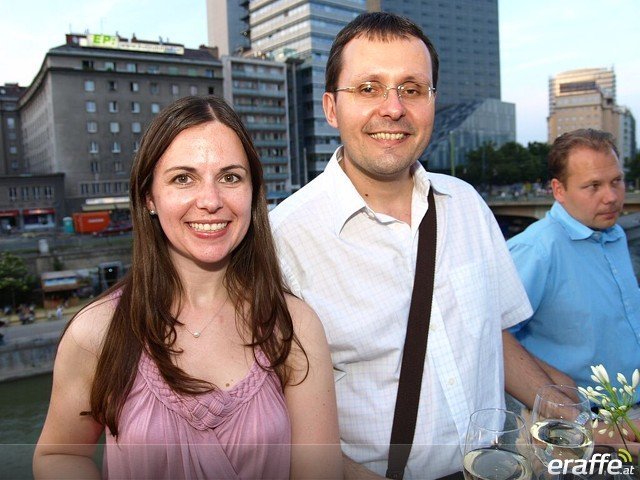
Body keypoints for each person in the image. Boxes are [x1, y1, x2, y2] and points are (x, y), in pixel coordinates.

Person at [270, 12, 552, 479]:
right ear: (331, 108)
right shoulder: (283, 241)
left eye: (412, 89)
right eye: (369, 88)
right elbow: (279, 426)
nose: (393, 108)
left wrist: (567, 413)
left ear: (432, 103)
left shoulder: (467, 205)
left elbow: (490, 337)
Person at [33, 96, 341, 479]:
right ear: (149, 197)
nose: (211, 201)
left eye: (230, 177)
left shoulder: (294, 328)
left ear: (253, 193)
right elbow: (60, 454)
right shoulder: (97, 332)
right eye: (183, 178)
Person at [508, 129, 640, 394]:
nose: (612, 197)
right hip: (583, 413)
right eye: (594, 186)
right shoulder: (535, 251)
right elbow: (494, 339)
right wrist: (557, 390)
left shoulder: (614, 235)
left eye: (616, 181)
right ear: (559, 190)